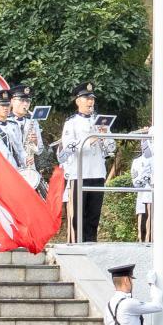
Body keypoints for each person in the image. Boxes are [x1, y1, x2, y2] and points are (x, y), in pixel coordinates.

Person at [59, 82, 116, 243]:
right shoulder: (72, 123)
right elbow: (68, 147)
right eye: (86, 98)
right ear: (78, 101)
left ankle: (92, 244)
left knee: (93, 215)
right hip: (79, 173)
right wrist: (89, 140)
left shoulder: (100, 121)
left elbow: (111, 148)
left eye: (91, 98)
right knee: (77, 216)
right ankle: (76, 246)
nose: (90, 102)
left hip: (97, 172)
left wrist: (105, 137)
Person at [130, 151, 152, 243]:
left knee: (151, 214)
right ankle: (141, 238)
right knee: (142, 213)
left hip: (153, 190)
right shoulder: (137, 161)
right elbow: (134, 177)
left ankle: (149, 238)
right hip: (143, 190)